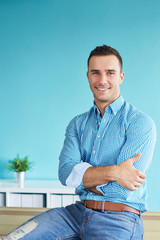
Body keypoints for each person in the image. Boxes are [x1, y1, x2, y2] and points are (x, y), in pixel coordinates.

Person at [2, 45, 156, 240]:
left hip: (119, 219)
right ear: (88, 76)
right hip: (74, 214)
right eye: (95, 73)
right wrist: (115, 172)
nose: (102, 80)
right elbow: (66, 173)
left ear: (121, 76)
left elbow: (123, 187)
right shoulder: (77, 124)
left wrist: (83, 177)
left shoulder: (140, 123)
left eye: (110, 73)